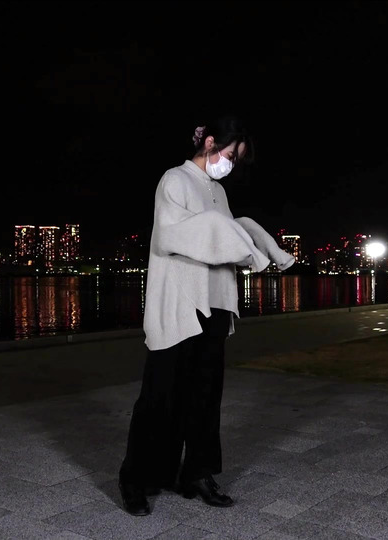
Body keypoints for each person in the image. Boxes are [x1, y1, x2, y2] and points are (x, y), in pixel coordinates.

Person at [118, 116, 295, 516]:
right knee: (159, 395)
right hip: (180, 303)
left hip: (215, 303)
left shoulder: (218, 192)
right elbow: (169, 235)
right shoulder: (175, 179)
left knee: (205, 395)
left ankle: (197, 473)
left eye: (237, 160)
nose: (230, 164)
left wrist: (253, 240)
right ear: (211, 143)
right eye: (230, 155)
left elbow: (228, 237)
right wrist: (220, 229)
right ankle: (137, 479)